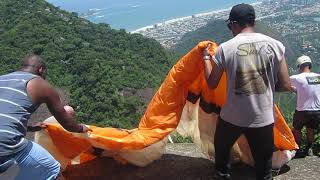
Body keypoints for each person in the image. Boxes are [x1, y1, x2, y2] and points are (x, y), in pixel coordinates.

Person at [202, 3, 293, 180]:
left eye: (230, 26)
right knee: (264, 168)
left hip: (232, 117)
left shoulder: (225, 49)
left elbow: (212, 83)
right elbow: (285, 85)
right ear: (253, 22)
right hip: (263, 118)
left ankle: (222, 175)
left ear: (235, 24)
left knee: (222, 149)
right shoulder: (276, 45)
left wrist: (206, 58)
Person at [0, 54, 91, 180]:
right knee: (53, 170)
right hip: (6, 147)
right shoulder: (38, 83)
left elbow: (5, 118)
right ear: (41, 69)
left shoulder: (2, 79)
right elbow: (68, 124)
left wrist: (30, 128)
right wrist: (82, 128)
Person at [290, 55, 320, 158]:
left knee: (297, 129)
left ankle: (298, 149)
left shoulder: (296, 78)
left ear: (299, 66)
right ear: (310, 65)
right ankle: (309, 148)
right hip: (316, 110)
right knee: (310, 129)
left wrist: (295, 90)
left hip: (302, 110)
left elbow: (284, 84)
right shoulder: (318, 77)